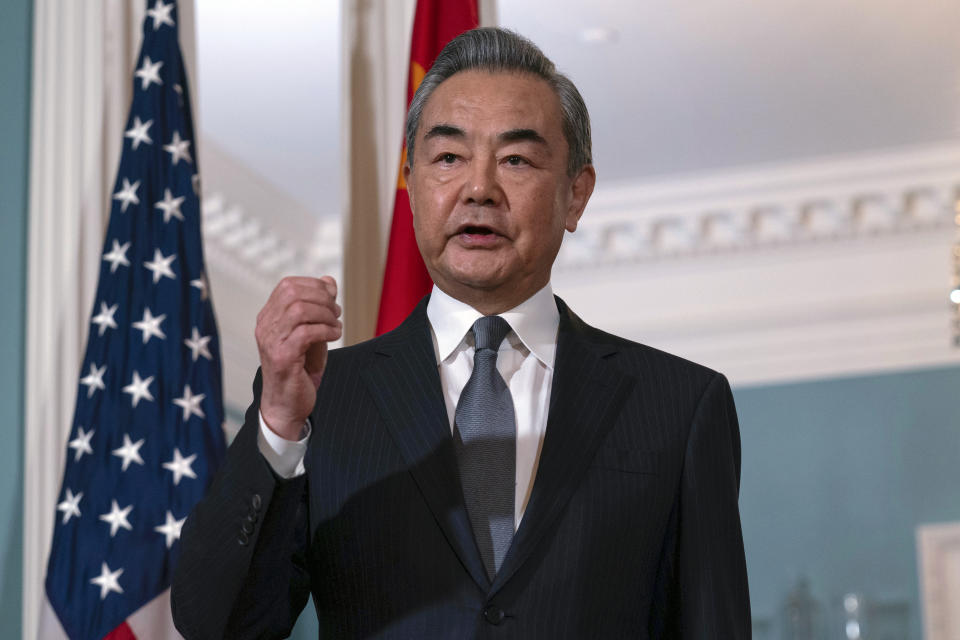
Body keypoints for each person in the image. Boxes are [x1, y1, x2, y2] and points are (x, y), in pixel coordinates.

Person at [171, 27, 750, 639]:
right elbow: (218, 624)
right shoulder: (322, 402)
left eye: (516, 160)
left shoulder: (679, 406)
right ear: (413, 186)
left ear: (576, 196)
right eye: (448, 158)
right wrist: (280, 428)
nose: (478, 188)